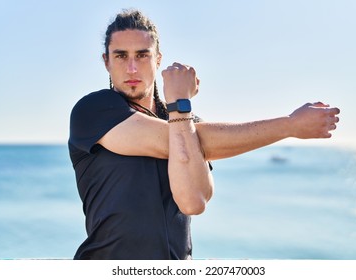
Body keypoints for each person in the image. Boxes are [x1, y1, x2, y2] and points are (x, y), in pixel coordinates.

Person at [68, 9, 340, 260]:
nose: (131, 68)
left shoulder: (186, 123)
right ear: (106, 61)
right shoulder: (93, 111)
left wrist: (179, 112)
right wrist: (290, 125)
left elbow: (193, 202)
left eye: (142, 55)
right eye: (120, 55)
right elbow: (168, 140)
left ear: (158, 59)